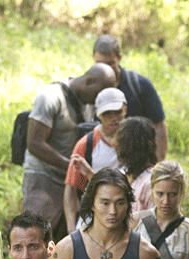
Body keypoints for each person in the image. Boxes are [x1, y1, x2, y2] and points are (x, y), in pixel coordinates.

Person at [22, 63, 116, 242]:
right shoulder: (50, 97)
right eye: (98, 94)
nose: (99, 100)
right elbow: (34, 143)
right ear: (89, 81)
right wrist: (71, 166)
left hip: (71, 182)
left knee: (64, 239)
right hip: (44, 177)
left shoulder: (87, 103)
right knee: (35, 236)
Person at [92, 34, 168, 161]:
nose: (105, 69)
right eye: (100, 64)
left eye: (110, 64)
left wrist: (159, 162)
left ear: (119, 58)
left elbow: (159, 125)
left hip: (139, 161)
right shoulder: (90, 88)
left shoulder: (140, 86)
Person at [64, 87, 127, 233]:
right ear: (98, 115)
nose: (113, 118)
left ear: (125, 109)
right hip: (94, 216)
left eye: (117, 111)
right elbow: (71, 189)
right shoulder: (86, 144)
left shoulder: (135, 140)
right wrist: (71, 229)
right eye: (107, 113)